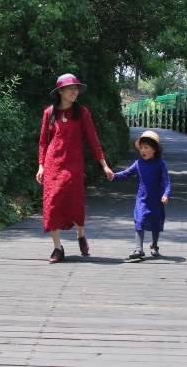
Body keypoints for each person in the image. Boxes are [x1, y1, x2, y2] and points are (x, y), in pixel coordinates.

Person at [36, 73, 114, 263]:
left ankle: (80, 234)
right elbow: (43, 142)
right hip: (53, 163)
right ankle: (57, 248)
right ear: (60, 91)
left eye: (76, 88)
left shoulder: (83, 113)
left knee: (75, 201)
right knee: (51, 202)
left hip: (74, 164)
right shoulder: (49, 113)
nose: (74, 91)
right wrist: (41, 166)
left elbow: (93, 140)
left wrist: (104, 165)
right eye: (71, 88)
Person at [110, 130, 170, 259]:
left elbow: (166, 182)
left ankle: (154, 246)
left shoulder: (160, 164)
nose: (143, 150)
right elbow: (126, 173)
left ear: (154, 149)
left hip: (156, 200)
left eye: (146, 147)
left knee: (156, 223)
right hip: (142, 199)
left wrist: (166, 194)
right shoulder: (138, 164)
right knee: (140, 221)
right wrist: (113, 175)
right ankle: (139, 249)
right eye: (141, 147)